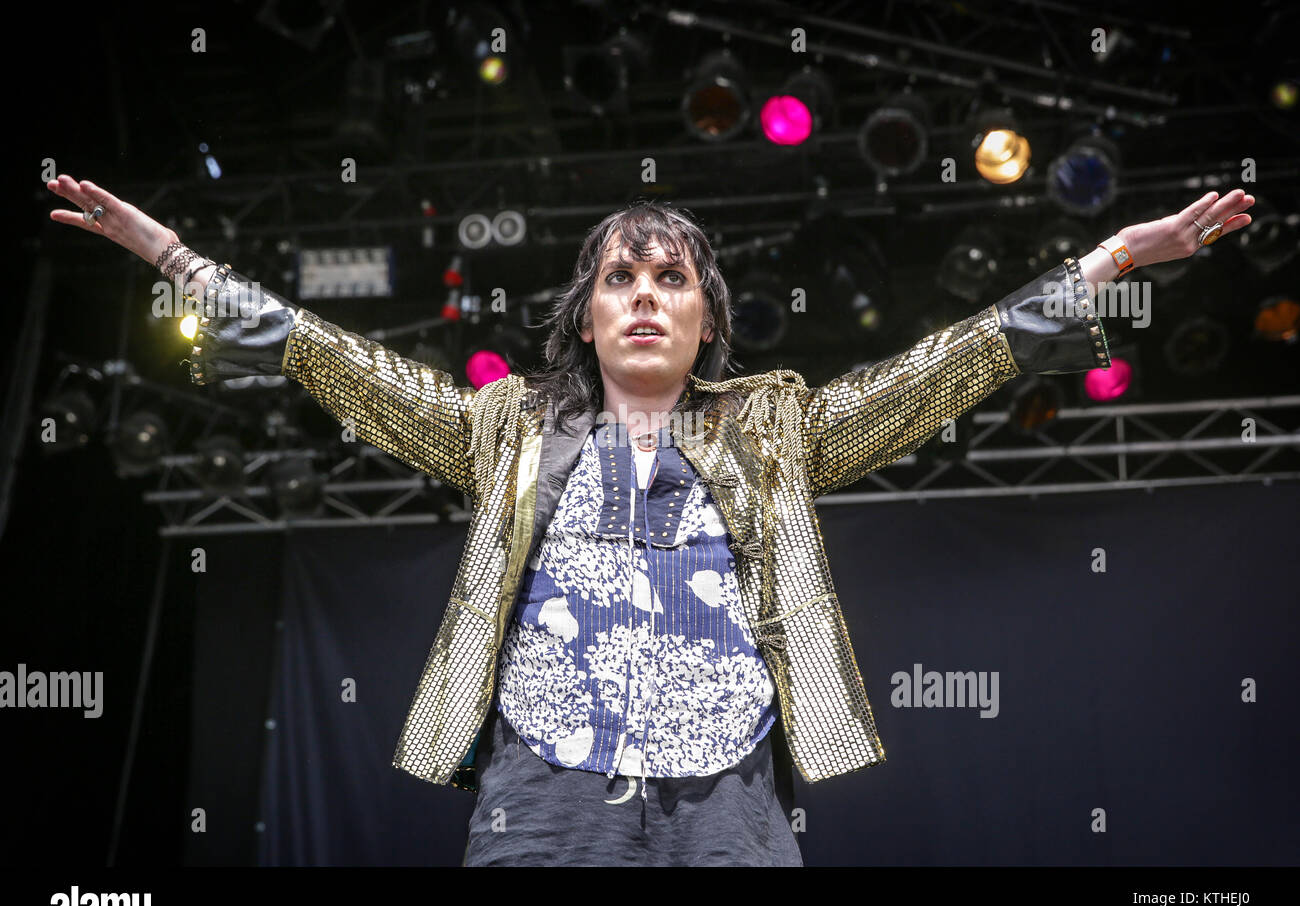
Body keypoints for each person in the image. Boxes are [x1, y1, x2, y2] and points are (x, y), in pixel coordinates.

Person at [47, 174, 1253, 866]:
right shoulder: (501, 426)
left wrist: (1100, 265)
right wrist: (181, 263)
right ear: (584, 315)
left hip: (727, 798)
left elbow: (950, 365)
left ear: (705, 320)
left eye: (670, 278)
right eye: (620, 277)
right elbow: (333, 360)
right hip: (542, 792)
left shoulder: (777, 424)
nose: (642, 297)